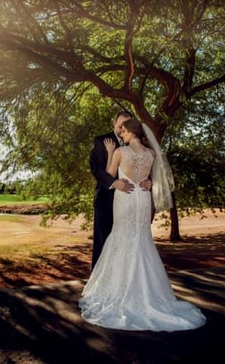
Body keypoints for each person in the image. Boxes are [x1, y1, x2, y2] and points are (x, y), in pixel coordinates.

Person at [79, 118, 206, 332]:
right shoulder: (151, 154)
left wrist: (111, 154)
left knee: (121, 236)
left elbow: (110, 176)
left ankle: (119, 291)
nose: (121, 135)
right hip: (142, 198)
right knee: (141, 238)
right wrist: (151, 183)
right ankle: (149, 293)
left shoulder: (120, 152)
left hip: (125, 197)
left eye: (124, 132)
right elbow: (156, 177)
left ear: (131, 132)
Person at [89, 111, 151, 270]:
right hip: (106, 198)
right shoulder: (101, 140)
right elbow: (96, 169)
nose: (122, 130)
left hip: (130, 199)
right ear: (113, 123)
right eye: (120, 126)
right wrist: (114, 183)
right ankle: (101, 279)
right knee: (104, 242)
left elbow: (147, 171)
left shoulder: (144, 149)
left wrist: (150, 181)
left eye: (126, 126)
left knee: (130, 238)